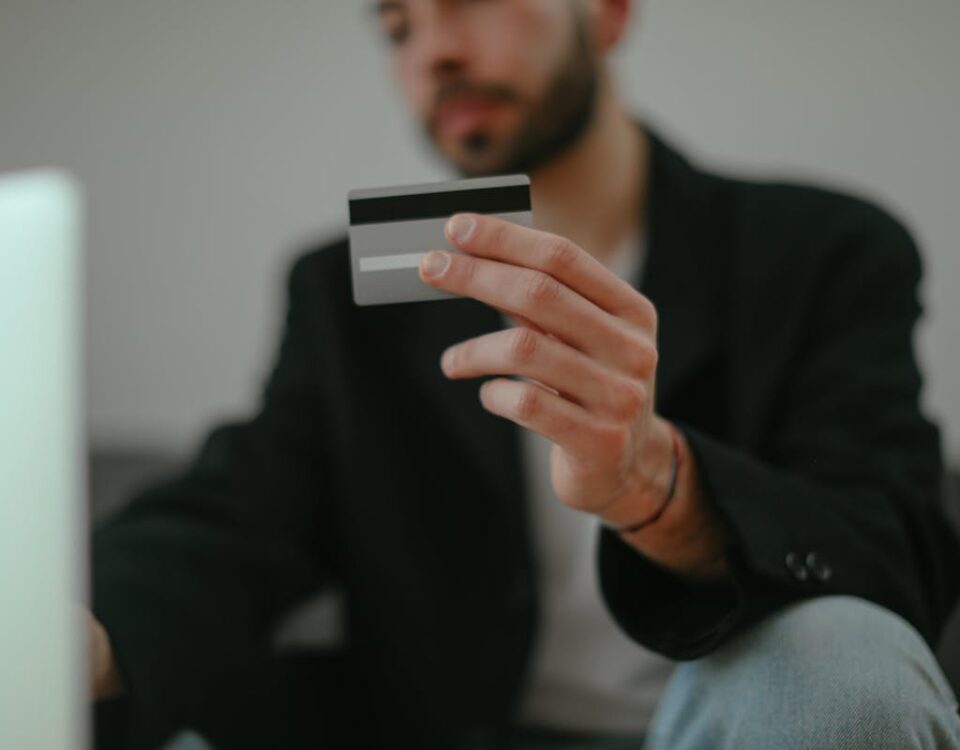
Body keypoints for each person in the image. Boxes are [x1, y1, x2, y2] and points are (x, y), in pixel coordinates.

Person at [89, 1, 960, 748]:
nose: (436, 50)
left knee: (848, 660)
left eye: (471, 0)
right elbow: (240, 512)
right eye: (397, 26)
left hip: (730, 716)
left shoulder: (824, 251)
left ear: (609, 11)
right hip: (449, 728)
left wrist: (661, 486)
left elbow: (891, 544)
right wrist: (75, 633)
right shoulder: (344, 290)